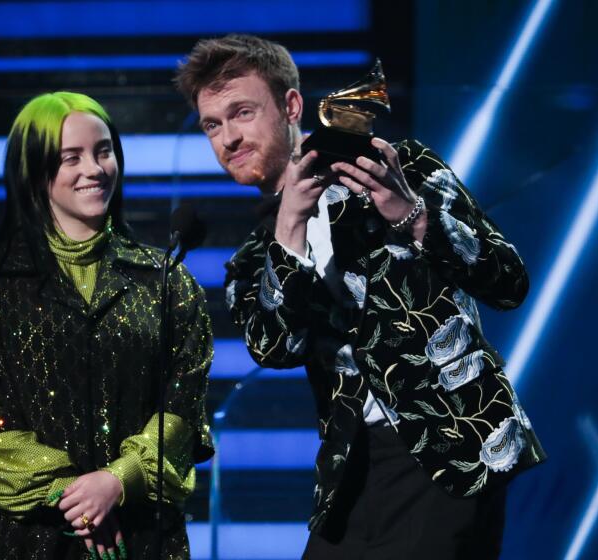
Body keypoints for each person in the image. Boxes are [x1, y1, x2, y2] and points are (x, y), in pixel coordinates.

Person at [175, 35, 545, 559]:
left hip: (450, 447)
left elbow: (510, 281)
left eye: (242, 113)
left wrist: (410, 214)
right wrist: (289, 229)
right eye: (213, 124)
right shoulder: (254, 257)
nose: (229, 137)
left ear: (291, 106)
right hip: (352, 468)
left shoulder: (403, 167)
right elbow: (276, 348)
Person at [0, 92, 214, 560]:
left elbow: (182, 409)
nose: (95, 168)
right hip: (22, 537)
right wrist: (78, 500)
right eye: (71, 157)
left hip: (139, 534)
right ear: (34, 170)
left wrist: (117, 481)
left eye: (104, 151)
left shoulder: (165, 280)